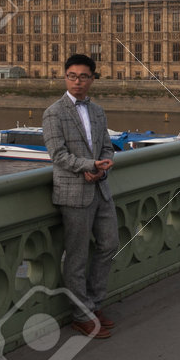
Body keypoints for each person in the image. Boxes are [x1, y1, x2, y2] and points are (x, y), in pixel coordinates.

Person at [41, 53, 118, 339]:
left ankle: (94, 305)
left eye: (84, 76)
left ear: (92, 79)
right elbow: (57, 155)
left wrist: (103, 167)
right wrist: (87, 166)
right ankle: (80, 315)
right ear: (65, 77)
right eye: (72, 76)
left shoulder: (98, 111)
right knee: (76, 257)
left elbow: (107, 148)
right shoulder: (53, 112)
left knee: (110, 245)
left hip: (101, 189)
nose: (77, 81)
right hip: (73, 193)